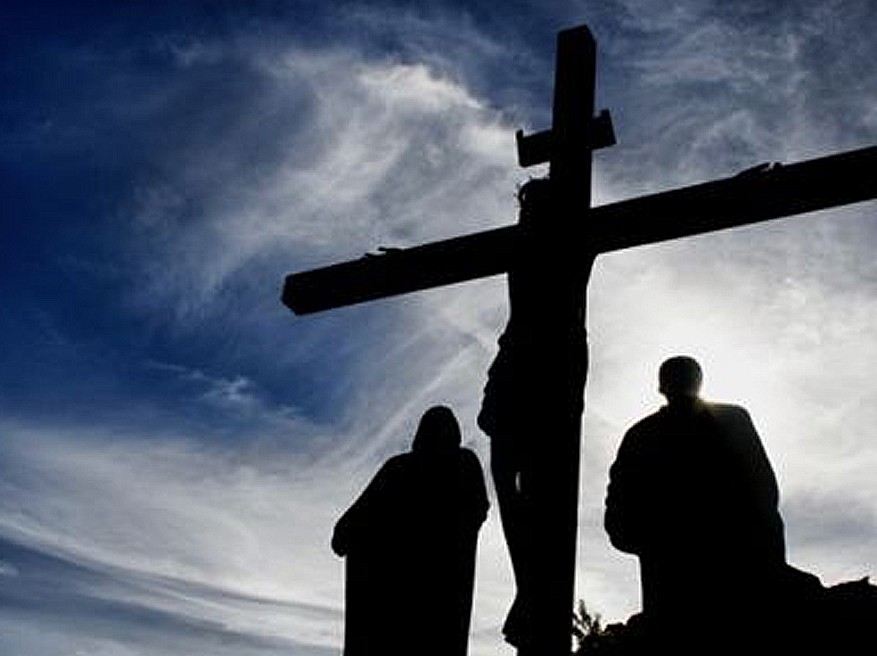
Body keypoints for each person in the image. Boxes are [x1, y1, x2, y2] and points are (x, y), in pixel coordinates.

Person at [478, 178, 593, 652]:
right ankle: (530, 590)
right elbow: (447, 257)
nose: (526, 215)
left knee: (544, 494)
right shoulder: (515, 244)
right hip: (516, 373)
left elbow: (663, 213)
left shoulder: (578, 235)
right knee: (510, 490)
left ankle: (535, 595)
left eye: (533, 208)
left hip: (551, 374)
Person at [604, 356, 787, 640]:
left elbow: (764, 490)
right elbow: (618, 513)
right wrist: (657, 540)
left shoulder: (731, 420)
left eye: (685, 375)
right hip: (673, 577)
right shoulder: (641, 436)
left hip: (735, 563)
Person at [332, 406, 489, 656]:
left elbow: (345, 531)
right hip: (404, 597)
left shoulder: (456, 464)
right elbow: (345, 531)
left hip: (437, 592)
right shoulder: (401, 468)